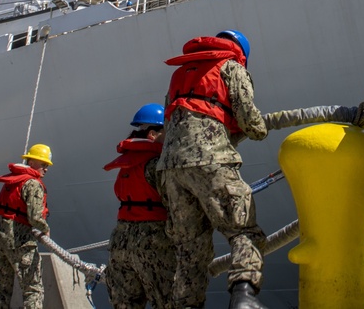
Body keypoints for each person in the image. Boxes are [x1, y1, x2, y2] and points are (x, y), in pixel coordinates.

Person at [157, 30, 269, 309]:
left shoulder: (180, 75)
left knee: (190, 250)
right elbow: (248, 116)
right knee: (243, 231)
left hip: (170, 169)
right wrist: (258, 130)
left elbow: (169, 122)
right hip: (210, 159)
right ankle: (244, 297)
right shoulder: (231, 67)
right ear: (241, 52)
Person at [103, 104, 175, 309]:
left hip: (121, 239)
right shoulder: (157, 165)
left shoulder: (127, 164)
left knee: (125, 304)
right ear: (153, 134)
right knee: (168, 301)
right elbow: (177, 204)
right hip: (153, 240)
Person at [0, 143, 53, 309]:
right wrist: (45, 229)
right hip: (21, 241)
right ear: (31, 162)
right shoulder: (33, 184)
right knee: (33, 290)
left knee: (1, 293)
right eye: (43, 164)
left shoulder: (12, 180)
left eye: (47, 165)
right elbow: (35, 217)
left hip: (0, 238)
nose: (46, 168)